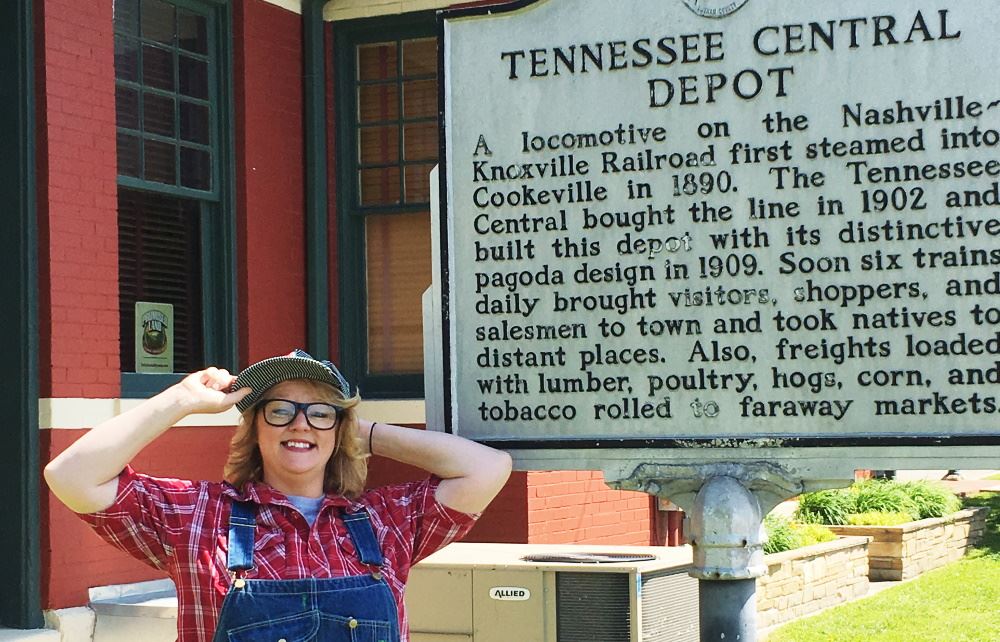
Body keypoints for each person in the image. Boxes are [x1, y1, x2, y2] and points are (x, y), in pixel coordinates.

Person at [45, 350, 512, 642]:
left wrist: (359, 431)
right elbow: (72, 476)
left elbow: (487, 468)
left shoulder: (384, 520)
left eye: (319, 413)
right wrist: (180, 401)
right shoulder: (198, 516)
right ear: (255, 428)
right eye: (280, 410)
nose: (300, 423)